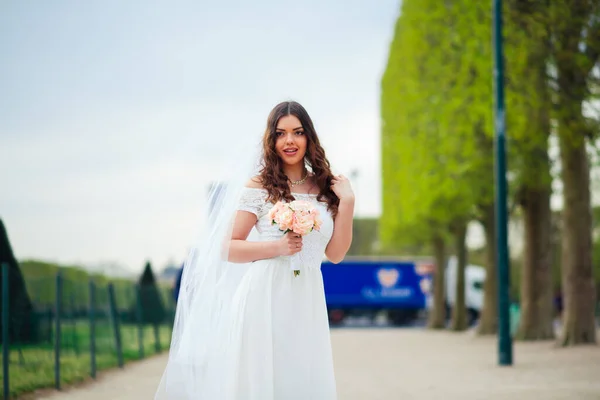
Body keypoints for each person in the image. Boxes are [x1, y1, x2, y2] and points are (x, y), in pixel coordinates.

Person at [155, 101, 355, 400]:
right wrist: (277, 246)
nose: (289, 140)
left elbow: (336, 254)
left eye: (298, 132)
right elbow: (227, 247)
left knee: (301, 378)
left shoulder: (328, 189)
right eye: (281, 133)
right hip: (265, 296)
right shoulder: (260, 186)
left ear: (309, 138)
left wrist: (348, 203)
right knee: (261, 381)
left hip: (308, 297)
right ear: (271, 140)